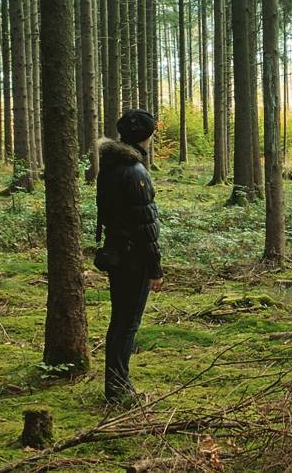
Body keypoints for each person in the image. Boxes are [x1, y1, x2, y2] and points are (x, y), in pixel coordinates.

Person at [95, 108, 164, 405]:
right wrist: (155, 267)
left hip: (116, 253)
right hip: (132, 258)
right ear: (146, 136)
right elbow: (145, 226)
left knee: (120, 321)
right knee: (127, 323)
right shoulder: (134, 171)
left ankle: (117, 383)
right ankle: (118, 388)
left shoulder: (111, 165)